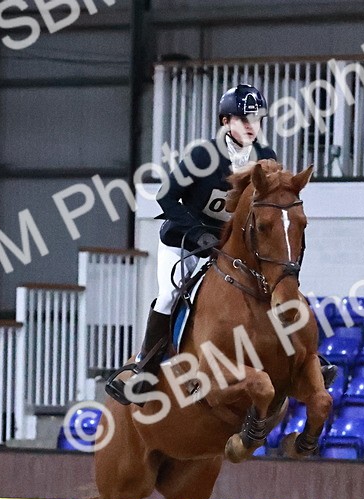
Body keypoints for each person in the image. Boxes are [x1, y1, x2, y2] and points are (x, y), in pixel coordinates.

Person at [105, 84, 279, 406]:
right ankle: (144, 366)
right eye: (244, 119)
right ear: (226, 121)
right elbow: (166, 196)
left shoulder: (265, 158)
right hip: (186, 239)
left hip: (230, 246)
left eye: (256, 119)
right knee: (171, 294)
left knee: (274, 279)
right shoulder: (203, 155)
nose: (252, 126)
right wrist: (198, 232)